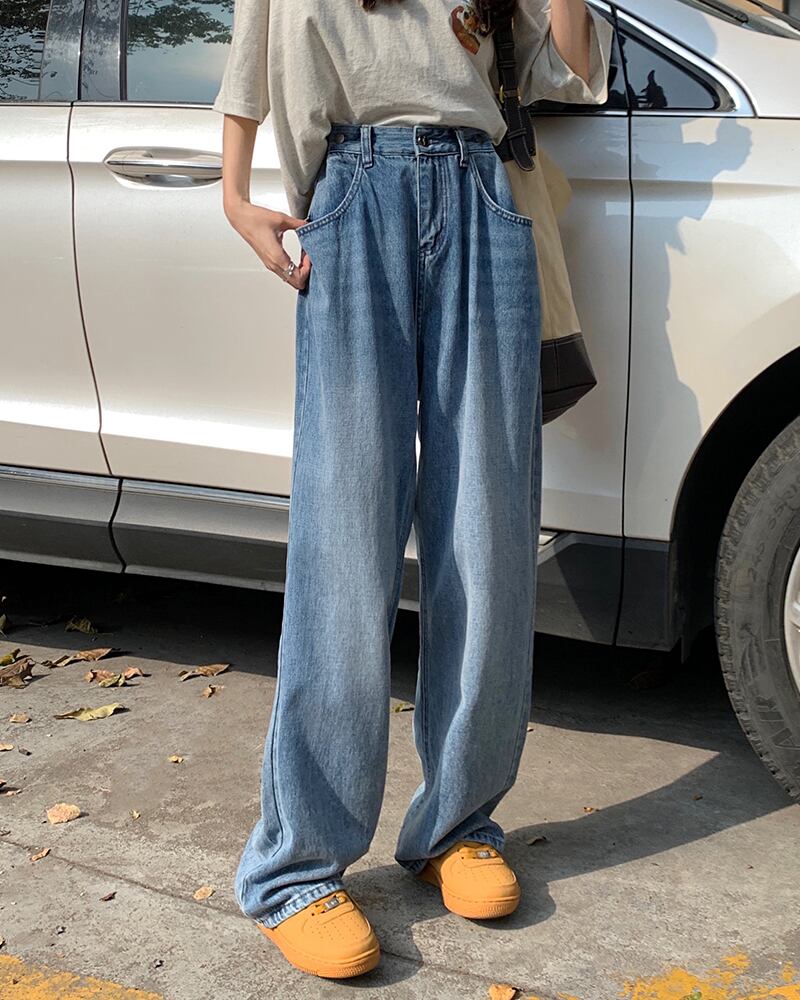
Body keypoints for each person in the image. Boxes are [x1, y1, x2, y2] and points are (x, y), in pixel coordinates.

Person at [212, 0, 612, 980]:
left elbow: (568, 72)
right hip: (351, 194)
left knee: (488, 530)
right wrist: (233, 194)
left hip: (483, 195)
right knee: (345, 535)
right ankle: (296, 863)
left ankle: (457, 823)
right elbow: (251, 61)